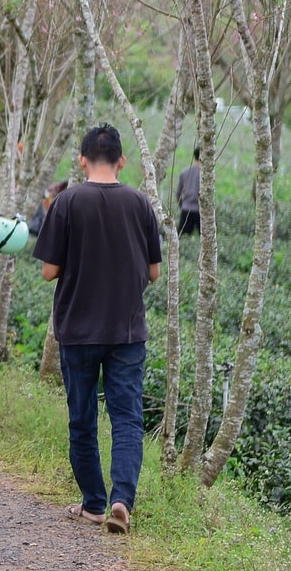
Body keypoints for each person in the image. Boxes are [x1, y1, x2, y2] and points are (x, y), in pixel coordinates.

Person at [31, 124, 163, 535]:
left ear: (82, 161)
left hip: (78, 328)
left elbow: (48, 271)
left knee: (83, 419)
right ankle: (121, 500)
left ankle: (92, 504)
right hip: (126, 330)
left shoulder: (67, 202)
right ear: (122, 161)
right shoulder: (140, 204)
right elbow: (154, 273)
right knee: (127, 419)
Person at [176, 148, 202, 235]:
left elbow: (178, 193)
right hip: (200, 211)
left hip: (186, 209)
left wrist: (182, 205)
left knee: (182, 237)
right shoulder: (205, 175)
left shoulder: (184, 172)